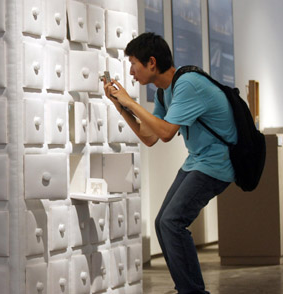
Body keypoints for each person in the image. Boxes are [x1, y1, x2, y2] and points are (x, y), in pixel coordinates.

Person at [103, 32, 237, 294]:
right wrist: (122, 107)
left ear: (151, 62)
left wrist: (130, 100)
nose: (131, 72)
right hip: (198, 161)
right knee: (162, 223)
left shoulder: (187, 84)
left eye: (134, 64)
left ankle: (192, 292)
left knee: (172, 222)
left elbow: (165, 132)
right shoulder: (165, 92)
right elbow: (151, 137)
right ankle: (186, 288)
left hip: (217, 163)